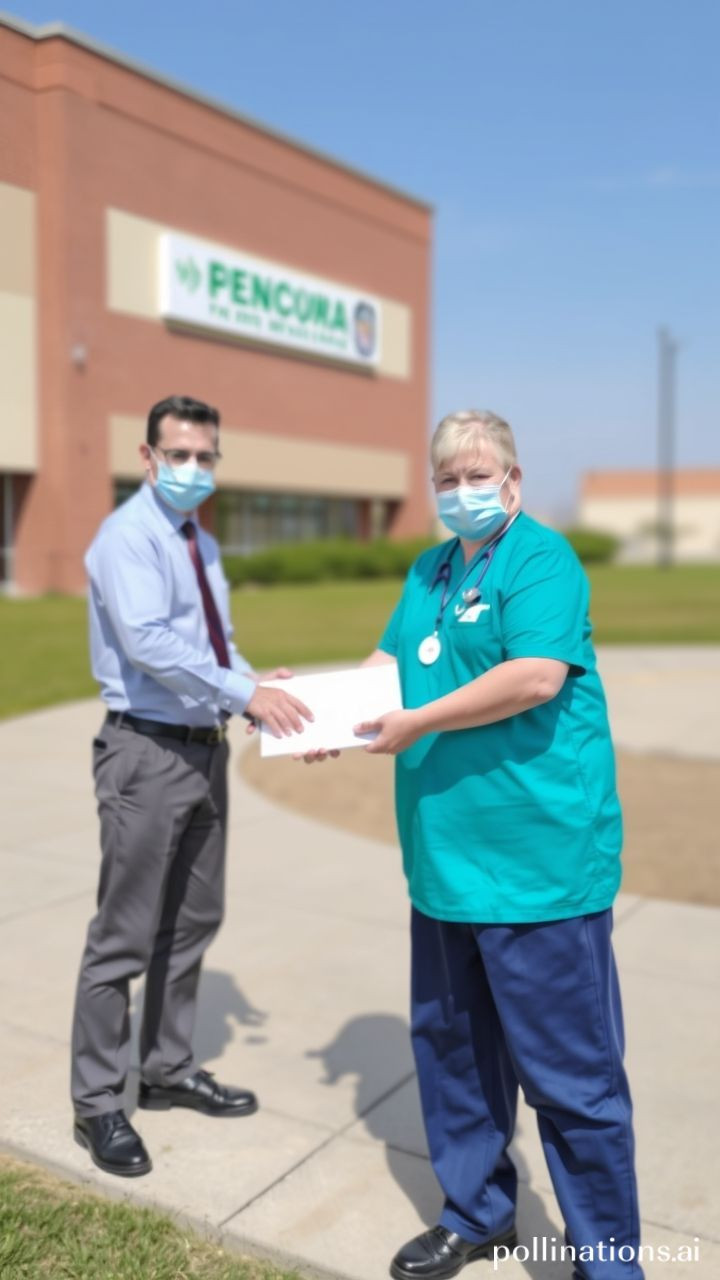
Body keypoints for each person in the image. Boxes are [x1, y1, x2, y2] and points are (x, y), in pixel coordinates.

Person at [305, 409, 643, 1280]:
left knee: (571, 1077)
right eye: (447, 479)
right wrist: (309, 711)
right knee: (454, 1056)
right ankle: (478, 1212)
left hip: (539, 864)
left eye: (478, 475)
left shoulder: (542, 560)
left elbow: (535, 676)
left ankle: (608, 1258)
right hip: (446, 863)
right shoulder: (429, 569)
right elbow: (389, 667)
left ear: (514, 481)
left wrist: (419, 719)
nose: (462, 492)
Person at [72, 394, 312, 1178]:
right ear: (147, 458)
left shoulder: (199, 542)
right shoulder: (127, 538)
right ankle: (98, 1102)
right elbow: (146, 643)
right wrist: (245, 694)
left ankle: (167, 1069)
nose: (192, 468)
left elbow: (214, 643)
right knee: (124, 935)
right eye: (177, 455)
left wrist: (253, 684)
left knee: (193, 920)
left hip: (205, 752)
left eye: (205, 457)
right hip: (145, 753)